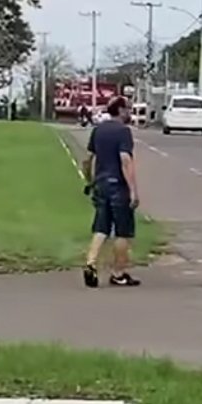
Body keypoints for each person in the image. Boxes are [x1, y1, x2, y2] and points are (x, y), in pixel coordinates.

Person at [80, 96, 141, 287]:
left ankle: (90, 263)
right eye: (128, 109)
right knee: (123, 231)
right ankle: (118, 273)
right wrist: (133, 190)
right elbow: (125, 160)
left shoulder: (98, 130)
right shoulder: (123, 132)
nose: (130, 113)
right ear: (121, 110)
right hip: (118, 186)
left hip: (101, 185)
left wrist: (89, 181)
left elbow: (87, 159)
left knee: (101, 227)